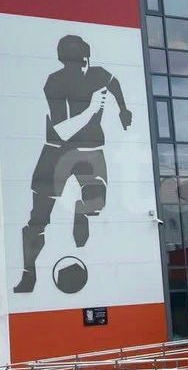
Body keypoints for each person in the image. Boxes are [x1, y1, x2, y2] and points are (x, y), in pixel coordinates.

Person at [13, 34, 133, 293]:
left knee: (97, 201)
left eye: (82, 63)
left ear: (87, 59)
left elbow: (114, 83)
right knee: (38, 218)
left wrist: (123, 109)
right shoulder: (54, 83)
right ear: (63, 61)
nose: (80, 68)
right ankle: (28, 274)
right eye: (72, 63)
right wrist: (91, 109)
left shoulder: (98, 74)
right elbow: (63, 130)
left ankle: (82, 211)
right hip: (57, 151)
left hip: (90, 151)